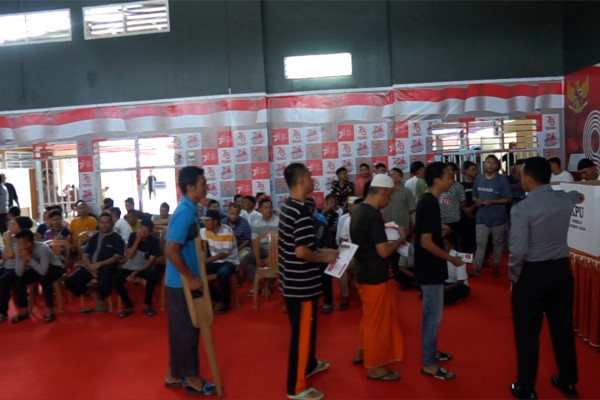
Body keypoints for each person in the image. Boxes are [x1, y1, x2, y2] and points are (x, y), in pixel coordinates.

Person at [509, 157, 582, 400]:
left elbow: (518, 251)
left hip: (531, 275)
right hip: (561, 272)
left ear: (529, 178)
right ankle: (568, 382)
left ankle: (526, 387)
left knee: (527, 334)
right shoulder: (565, 199)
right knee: (563, 329)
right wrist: (577, 194)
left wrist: (514, 276)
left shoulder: (521, 209)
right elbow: (576, 195)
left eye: (521, 174)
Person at [279, 163, 338, 400]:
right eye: (311, 176)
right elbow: (302, 252)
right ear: (302, 180)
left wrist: (323, 252)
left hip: (294, 281)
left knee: (307, 329)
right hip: (301, 284)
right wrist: (324, 257)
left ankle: (310, 364)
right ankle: (296, 388)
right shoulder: (300, 210)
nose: (313, 180)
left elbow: (302, 246)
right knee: (301, 335)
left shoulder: (289, 206)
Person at [163, 166, 216, 396]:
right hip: (181, 283)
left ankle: (174, 374)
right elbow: (170, 250)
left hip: (186, 280)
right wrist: (191, 278)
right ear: (190, 187)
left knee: (181, 330)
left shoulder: (192, 209)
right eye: (203, 183)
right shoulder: (184, 212)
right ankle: (192, 377)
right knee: (187, 331)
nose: (206, 186)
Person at [350, 173, 407, 381]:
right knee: (378, 322)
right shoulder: (372, 216)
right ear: (383, 192)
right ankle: (374, 366)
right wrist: (401, 239)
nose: (389, 200)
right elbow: (383, 252)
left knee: (369, 317)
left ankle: (362, 351)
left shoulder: (358, 211)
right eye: (390, 195)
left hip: (362, 272)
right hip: (375, 275)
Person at [414, 162, 463, 380]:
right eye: (448, 177)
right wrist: (451, 258)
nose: (451, 181)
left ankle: (431, 353)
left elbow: (426, 233)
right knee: (432, 317)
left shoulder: (428, 201)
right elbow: (425, 242)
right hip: (430, 268)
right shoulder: (429, 203)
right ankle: (429, 364)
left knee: (433, 315)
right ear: (437, 180)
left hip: (430, 266)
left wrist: (440, 231)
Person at [64, 213, 125, 313]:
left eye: (107, 222)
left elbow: (117, 256)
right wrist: (90, 266)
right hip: (90, 266)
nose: (104, 225)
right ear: (98, 224)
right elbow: (85, 255)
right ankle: (93, 293)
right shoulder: (94, 237)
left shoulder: (117, 238)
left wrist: (99, 264)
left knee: (105, 282)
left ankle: (101, 299)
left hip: (107, 267)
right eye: (101, 222)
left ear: (112, 224)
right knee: (69, 282)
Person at [469, 155, 512, 278]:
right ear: (484, 164)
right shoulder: (479, 178)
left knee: (497, 243)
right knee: (480, 244)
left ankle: (496, 266)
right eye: (488, 162)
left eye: (493, 163)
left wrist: (493, 202)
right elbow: (474, 196)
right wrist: (477, 201)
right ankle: (476, 268)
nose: (490, 165)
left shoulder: (502, 180)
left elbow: (508, 198)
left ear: (497, 166)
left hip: (498, 217)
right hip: (481, 217)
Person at [12, 229, 65, 323]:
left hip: (55, 267)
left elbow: (43, 271)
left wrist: (29, 258)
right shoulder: (18, 248)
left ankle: (50, 310)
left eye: (19, 243)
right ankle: (24, 311)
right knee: (19, 279)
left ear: (28, 244)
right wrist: (23, 259)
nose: (17, 245)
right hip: (37, 268)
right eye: (17, 242)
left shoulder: (42, 248)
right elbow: (19, 272)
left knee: (44, 277)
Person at [113, 218, 160, 318]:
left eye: (145, 231)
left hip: (144, 267)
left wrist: (138, 271)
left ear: (150, 232)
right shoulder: (133, 236)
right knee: (116, 279)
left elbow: (151, 261)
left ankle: (147, 305)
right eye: (141, 229)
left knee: (152, 274)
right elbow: (129, 256)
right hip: (130, 265)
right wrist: (137, 241)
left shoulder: (154, 241)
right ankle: (129, 306)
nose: (142, 233)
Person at [200, 209, 239, 314]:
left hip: (230, 261)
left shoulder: (227, 230)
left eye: (207, 220)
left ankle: (225, 302)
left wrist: (207, 260)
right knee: (198, 272)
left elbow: (225, 253)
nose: (205, 223)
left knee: (223, 273)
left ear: (215, 221)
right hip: (216, 262)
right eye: (204, 220)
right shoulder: (205, 231)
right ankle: (218, 299)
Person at [383, 168, 416, 283]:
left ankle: (402, 272)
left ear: (400, 177)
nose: (390, 177)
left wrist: (414, 225)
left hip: (402, 228)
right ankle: (394, 271)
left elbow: (412, 210)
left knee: (403, 251)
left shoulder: (406, 192)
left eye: (393, 175)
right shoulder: (386, 191)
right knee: (390, 250)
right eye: (389, 175)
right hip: (388, 228)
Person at [242, 198, 279, 296]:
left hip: (276, 248)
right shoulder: (255, 223)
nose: (268, 210)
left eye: (270, 207)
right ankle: (258, 284)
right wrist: (258, 257)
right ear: (260, 209)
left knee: (277, 259)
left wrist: (271, 256)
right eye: (265, 207)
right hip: (261, 249)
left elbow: (281, 241)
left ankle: (269, 285)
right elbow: (254, 241)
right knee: (246, 260)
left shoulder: (279, 221)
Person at [0, 216, 33, 322]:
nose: (10, 226)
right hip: (6, 266)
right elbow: (5, 255)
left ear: (21, 228)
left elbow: (9, 255)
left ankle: (3, 312)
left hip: (17, 268)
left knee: (3, 280)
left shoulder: (22, 240)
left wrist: (7, 240)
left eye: (14, 224)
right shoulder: (12, 237)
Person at [439, 163, 466, 249]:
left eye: (449, 170)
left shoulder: (458, 186)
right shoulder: (440, 185)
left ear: (455, 172)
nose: (447, 172)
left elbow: (463, 202)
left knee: (453, 244)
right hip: (441, 220)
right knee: (442, 244)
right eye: (445, 170)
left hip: (454, 220)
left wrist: (454, 209)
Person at [443, 239, 470, 306]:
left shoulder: (459, 257)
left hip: (457, 284)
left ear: (451, 246)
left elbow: (461, 280)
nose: (442, 246)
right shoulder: (438, 255)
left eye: (445, 245)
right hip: (444, 282)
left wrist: (449, 287)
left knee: (449, 298)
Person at [459, 161, 478, 253]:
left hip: (477, 213)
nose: (475, 172)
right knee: (465, 234)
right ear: (466, 171)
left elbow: (481, 198)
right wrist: (465, 209)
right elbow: (458, 200)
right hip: (464, 214)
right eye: (473, 169)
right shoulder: (460, 185)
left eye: (476, 170)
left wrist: (471, 208)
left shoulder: (478, 184)